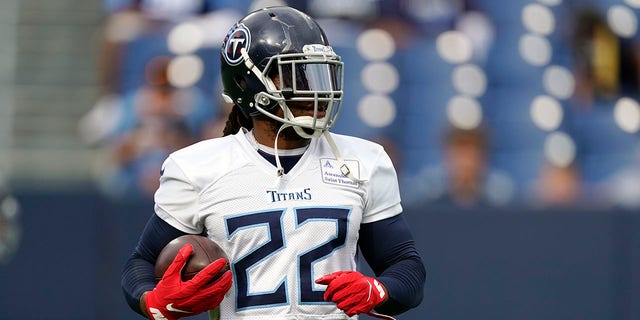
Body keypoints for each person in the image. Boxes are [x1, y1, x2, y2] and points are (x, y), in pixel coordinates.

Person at [121, 6, 426, 320]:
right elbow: (141, 263)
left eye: (321, 73)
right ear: (249, 84)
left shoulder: (363, 161)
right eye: (301, 75)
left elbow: (406, 268)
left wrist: (377, 290)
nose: (318, 89)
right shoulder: (198, 168)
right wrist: (153, 301)